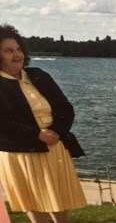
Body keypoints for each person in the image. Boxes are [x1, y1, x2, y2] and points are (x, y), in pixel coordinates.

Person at [0, 24, 87, 223]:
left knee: (59, 197)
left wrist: (56, 132)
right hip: (21, 152)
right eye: (8, 50)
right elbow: (2, 122)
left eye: (18, 49)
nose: (17, 54)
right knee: (33, 200)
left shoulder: (39, 75)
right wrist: (36, 134)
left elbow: (66, 108)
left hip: (54, 146)